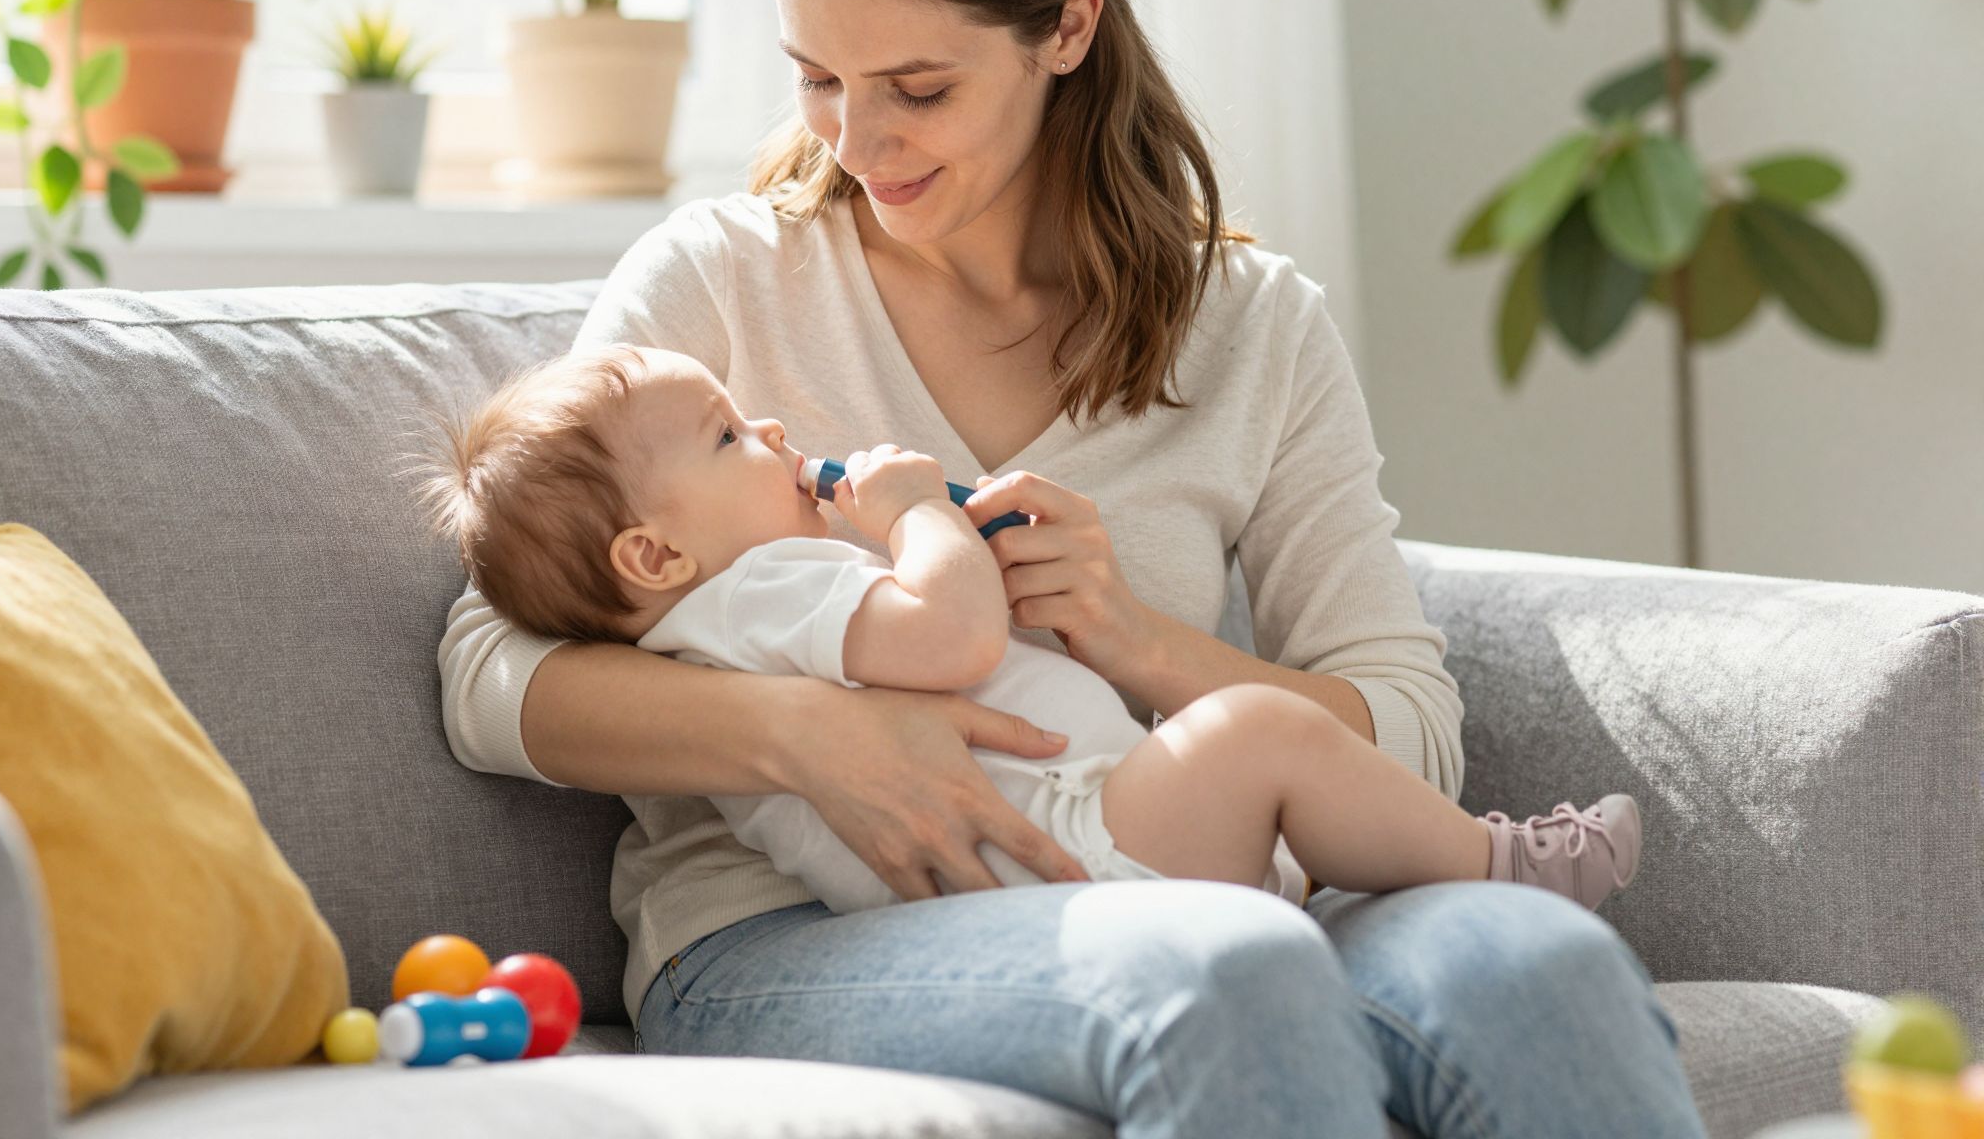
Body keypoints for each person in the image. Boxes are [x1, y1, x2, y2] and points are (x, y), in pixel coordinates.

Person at [438, 0, 1707, 1138]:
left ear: (1067, 28)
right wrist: (810, 734)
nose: (859, 141)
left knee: (1546, 968)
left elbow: (1408, 726)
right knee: (1222, 974)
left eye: (917, 88)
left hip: (1188, 869)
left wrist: (1151, 648)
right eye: (817, 79)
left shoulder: (1251, 329)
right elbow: (491, 671)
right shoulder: (716, 290)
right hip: (787, 936)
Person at [422, 342, 1644, 917]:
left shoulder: (739, 602)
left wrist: (1130, 634)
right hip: (1068, 851)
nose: (779, 437)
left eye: (917, 84)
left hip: (1065, 852)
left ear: (1064, 34)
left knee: (1276, 767)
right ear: (652, 554)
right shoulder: (757, 594)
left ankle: (1434, 882)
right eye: (734, 438)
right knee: (1258, 732)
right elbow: (946, 641)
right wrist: (913, 517)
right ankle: (1498, 866)